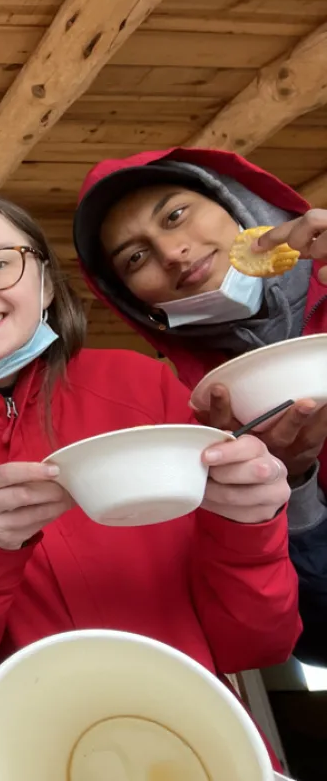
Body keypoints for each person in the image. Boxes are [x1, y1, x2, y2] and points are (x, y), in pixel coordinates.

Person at [0, 188, 300, 700]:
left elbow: (257, 645)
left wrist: (248, 527)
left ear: (45, 286)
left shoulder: (143, 385)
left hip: (192, 735)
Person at [72, 147, 327, 666]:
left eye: (175, 216)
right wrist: (292, 480)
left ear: (236, 205)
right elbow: (316, 638)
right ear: (139, 305)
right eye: (135, 258)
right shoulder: (198, 420)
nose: (173, 252)